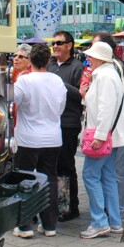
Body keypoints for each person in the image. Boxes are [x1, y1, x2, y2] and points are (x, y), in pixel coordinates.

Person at [11, 43, 67, 239]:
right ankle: (49, 224)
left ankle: (25, 225)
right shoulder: (57, 81)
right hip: (52, 137)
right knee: (50, 179)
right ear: (48, 61)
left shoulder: (24, 82)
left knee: (25, 179)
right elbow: (60, 108)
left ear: (30, 60)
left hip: (27, 138)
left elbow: (13, 104)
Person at [78, 41, 124, 239]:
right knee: (108, 176)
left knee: (90, 175)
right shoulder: (108, 75)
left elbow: (105, 109)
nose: (88, 59)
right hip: (113, 137)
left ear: (99, 58)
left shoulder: (104, 76)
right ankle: (115, 222)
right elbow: (103, 105)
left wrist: (99, 136)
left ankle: (99, 222)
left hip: (104, 136)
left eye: (91, 56)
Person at [92, 31, 124, 222]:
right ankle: (114, 214)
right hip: (110, 130)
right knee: (109, 174)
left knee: (111, 174)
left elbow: (120, 98)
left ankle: (118, 211)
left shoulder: (113, 68)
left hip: (112, 132)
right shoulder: (103, 70)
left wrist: (101, 133)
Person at [48, 31, 84, 222]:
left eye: (59, 43)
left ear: (69, 45)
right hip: (49, 123)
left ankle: (70, 207)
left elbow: (82, 95)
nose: (55, 46)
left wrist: (61, 85)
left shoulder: (77, 67)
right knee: (52, 167)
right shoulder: (49, 65)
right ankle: (55, 205)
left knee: (66, 166)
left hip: (68, 124)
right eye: (54, 43)